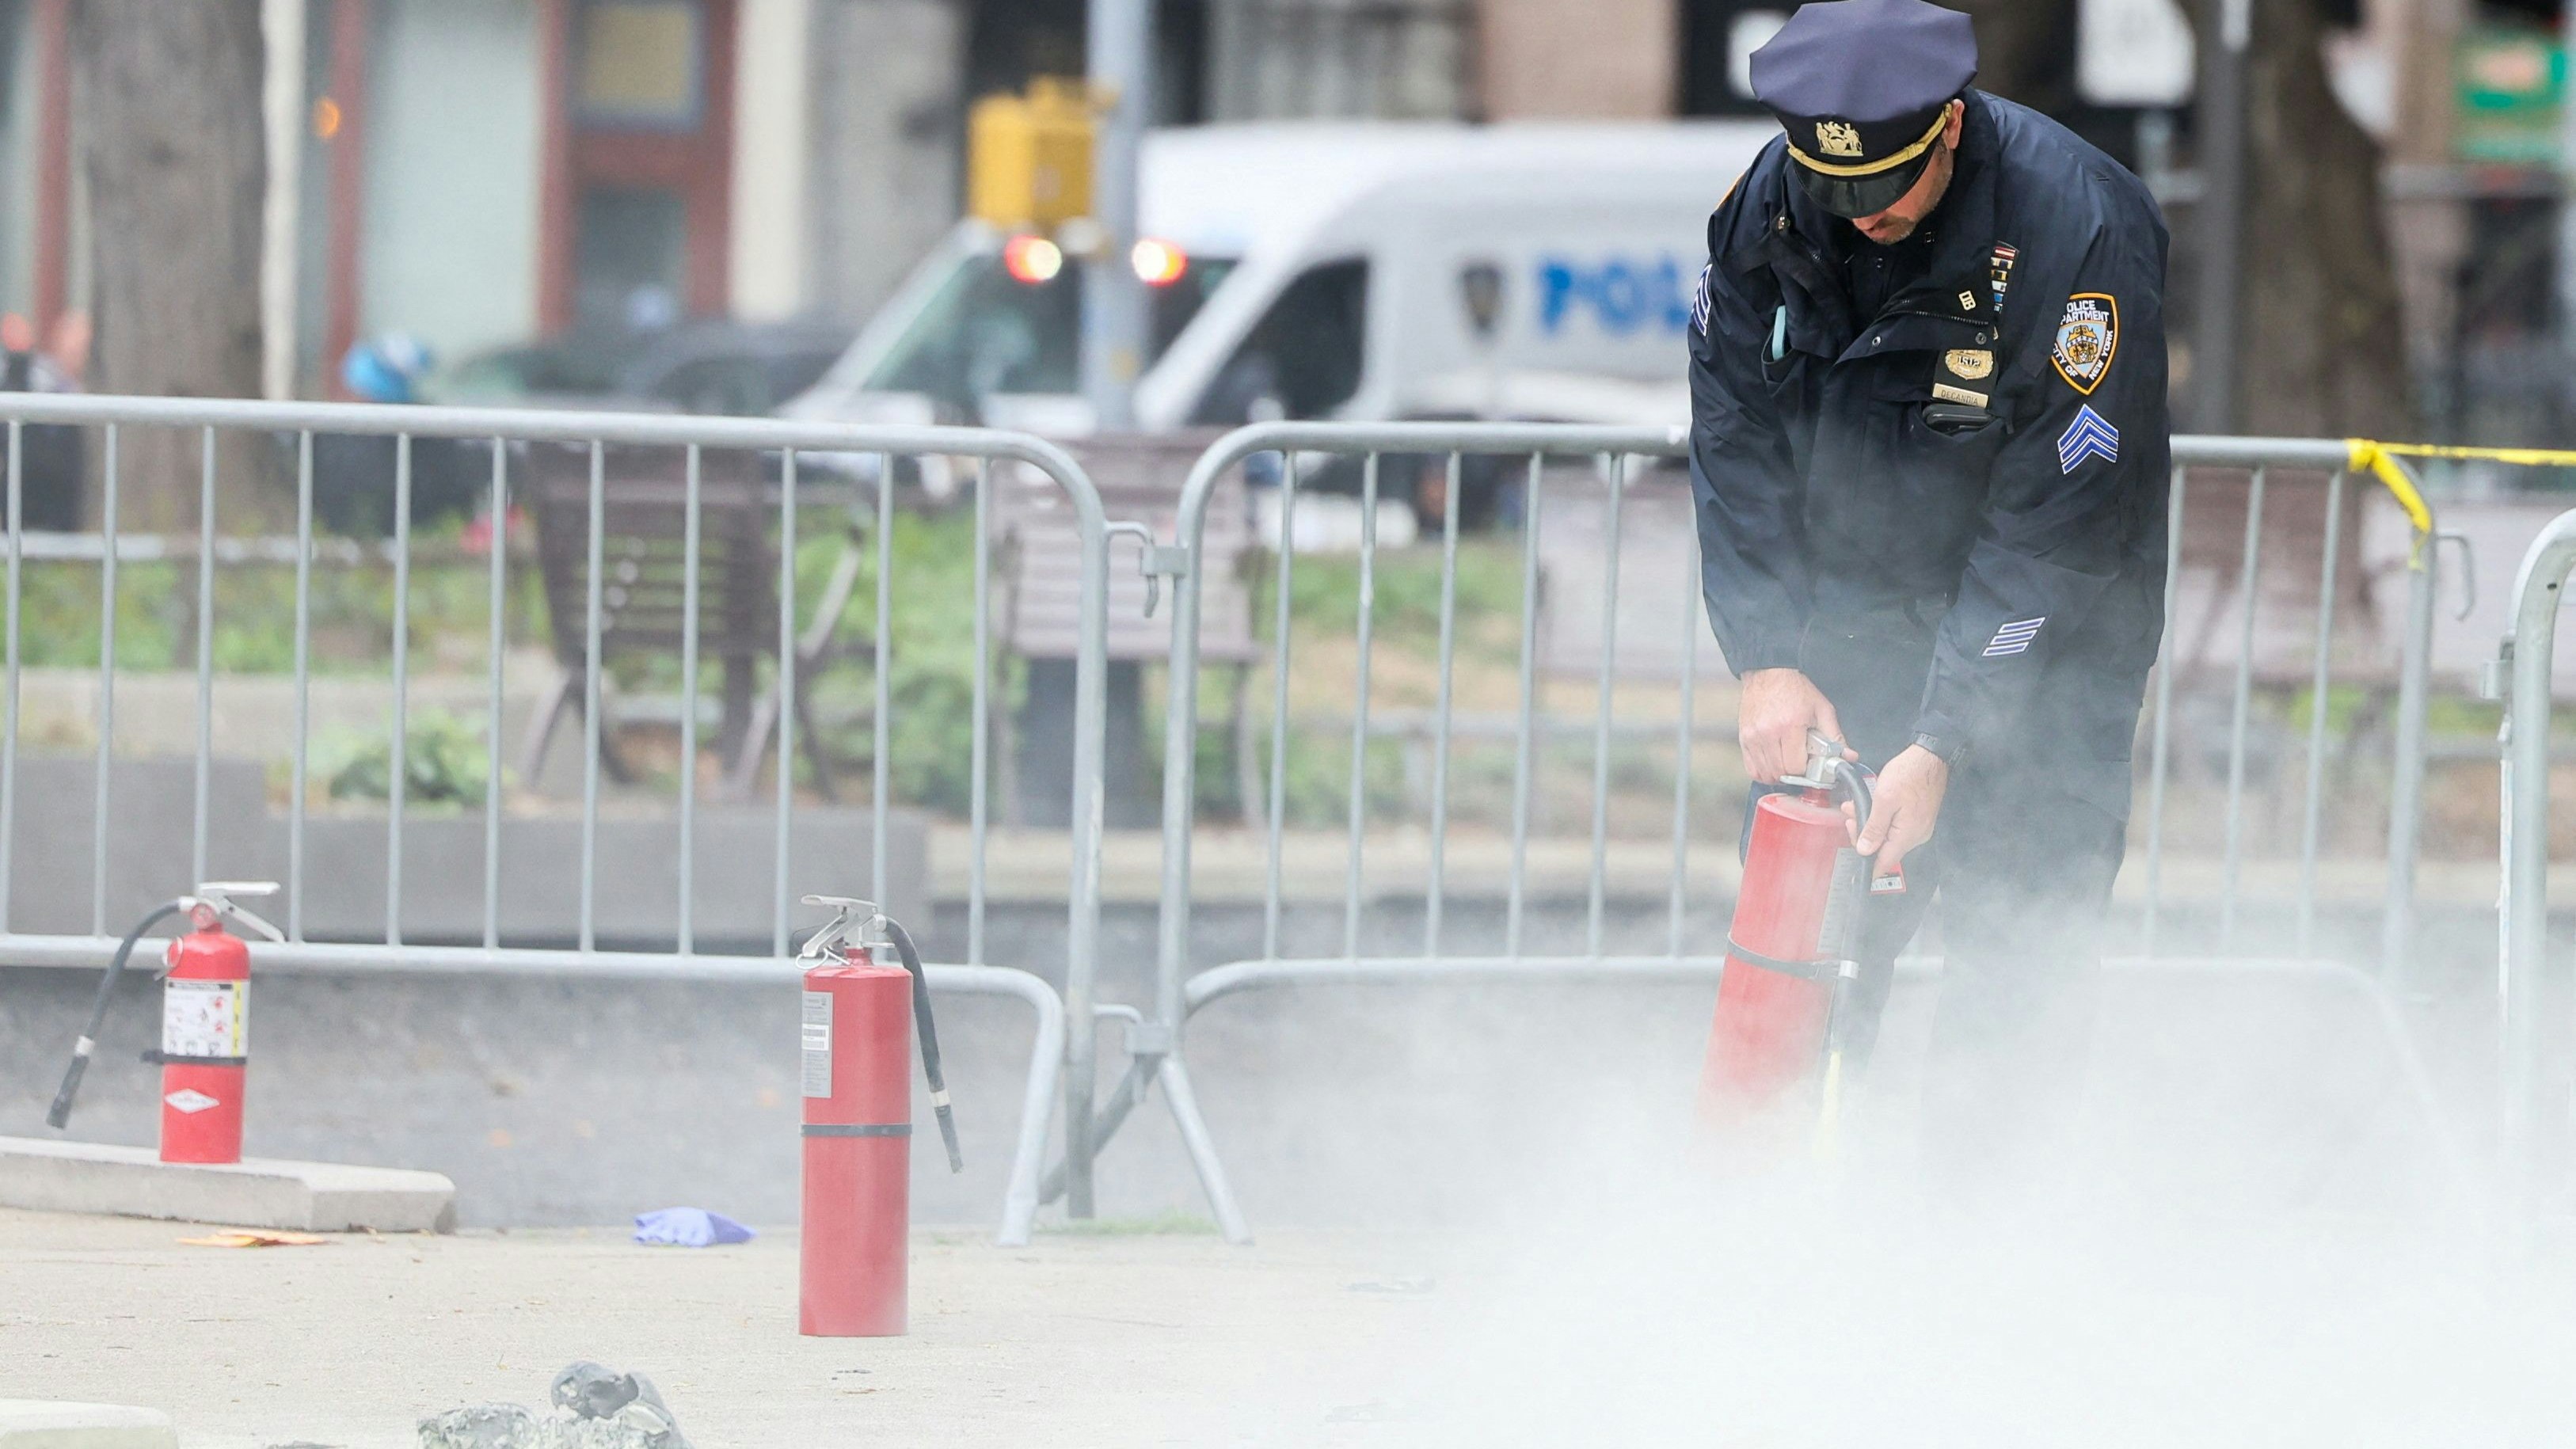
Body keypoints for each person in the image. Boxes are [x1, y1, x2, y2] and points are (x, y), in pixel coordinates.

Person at [1688, 0, 2171, 1184]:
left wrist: (1947, 731)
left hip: (2053, 632)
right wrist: (1766, 653)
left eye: (1889, 188)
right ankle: (1755, 1224)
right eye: (1836, 188)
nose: (1864, 215)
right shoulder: (1773, 200)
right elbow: (1732, 434)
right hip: (1856, 616)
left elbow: (2059, 513)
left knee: (2020, 956)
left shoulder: (2077, 227)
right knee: (1806, 943)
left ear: (1948, 128)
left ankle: (1975, 1251)